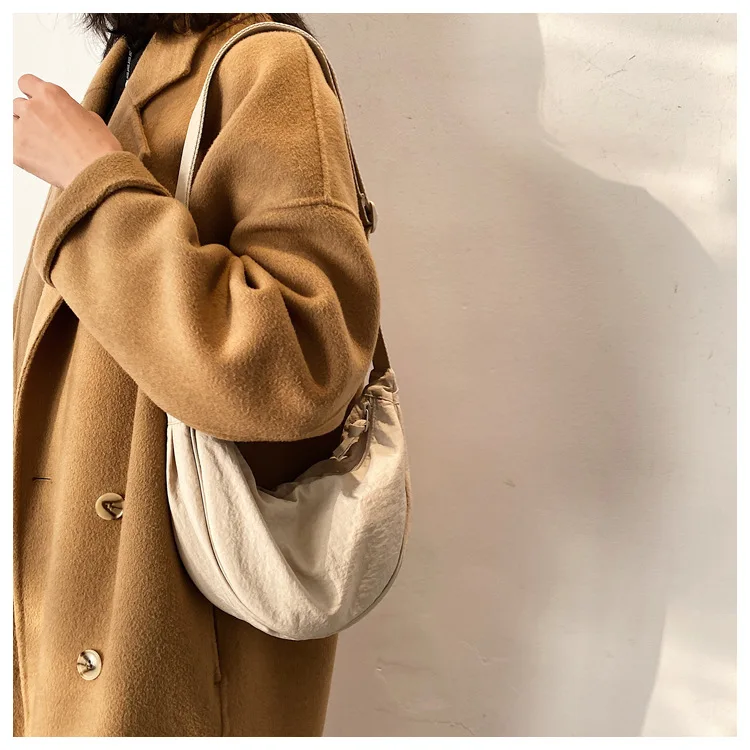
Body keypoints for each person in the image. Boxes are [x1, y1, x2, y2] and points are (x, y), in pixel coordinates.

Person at [12, 12, 381, 737]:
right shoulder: (132, 61)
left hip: (172, 628)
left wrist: (95, 185)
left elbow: (302, 364)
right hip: (71, 599)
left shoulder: (268, 65)